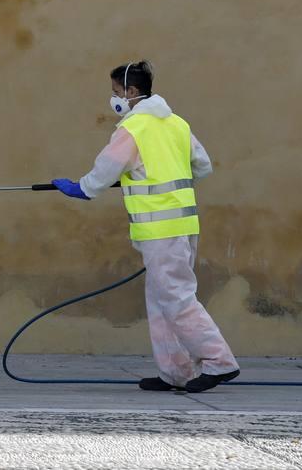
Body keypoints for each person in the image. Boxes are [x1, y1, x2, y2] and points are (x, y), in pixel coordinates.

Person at [52, 61, 241, 393]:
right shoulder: (177, 124)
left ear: (132, 92)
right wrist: (146, 174)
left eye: (116, 92)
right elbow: (202, 166)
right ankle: (176, 373)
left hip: (159, 229)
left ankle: (219, 362)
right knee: (160, 299)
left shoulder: (134, 127)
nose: (114, 99)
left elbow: (106, 168)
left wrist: (82, 188)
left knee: (177, 298)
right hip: (182, 225)